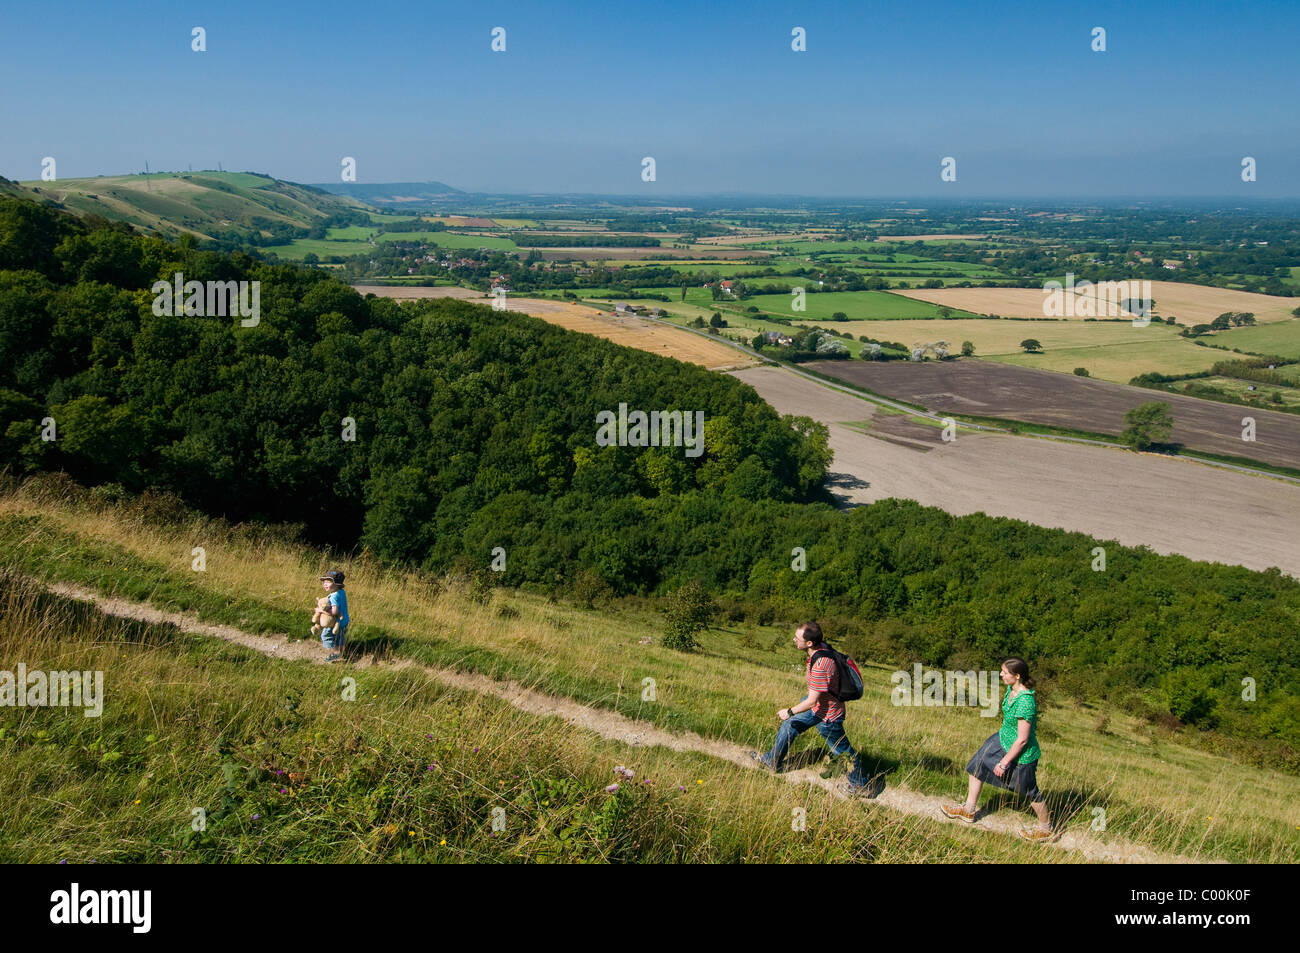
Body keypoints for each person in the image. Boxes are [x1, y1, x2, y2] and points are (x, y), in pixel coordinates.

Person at [749, 622, 877, 797]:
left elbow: (811, 701)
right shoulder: (821, 648)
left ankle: (862, 786)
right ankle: (772, 761)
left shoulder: (821, 665)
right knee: (790, 725)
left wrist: (789, 711)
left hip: (828, 717)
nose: (794, 639)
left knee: (843, 751)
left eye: (798, 638)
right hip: (819, 707)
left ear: (809, 643)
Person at [941, 657, 1052, 842]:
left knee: (1028, 790)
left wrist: (1004, 762)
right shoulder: (1011, 689)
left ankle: (1046, 829)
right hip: (1001, 739)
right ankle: (968, 810)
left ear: (1017, 676)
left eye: (1005, 673)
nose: (1001, 674)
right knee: (976, 766)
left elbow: (1023, 740)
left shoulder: (1026, 702)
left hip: (1021, 753)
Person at [315, 570, 349, 663]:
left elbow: (334, 611)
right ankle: (340, 651)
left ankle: (334, 653)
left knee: (326, 636)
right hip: (344, 621)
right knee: (339, 638)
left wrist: (321, 611)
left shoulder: (334, 596)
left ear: (337, 584)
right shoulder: (341, 592)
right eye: (324, 582)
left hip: (334, 622)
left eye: (328, 582)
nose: (325, 584)